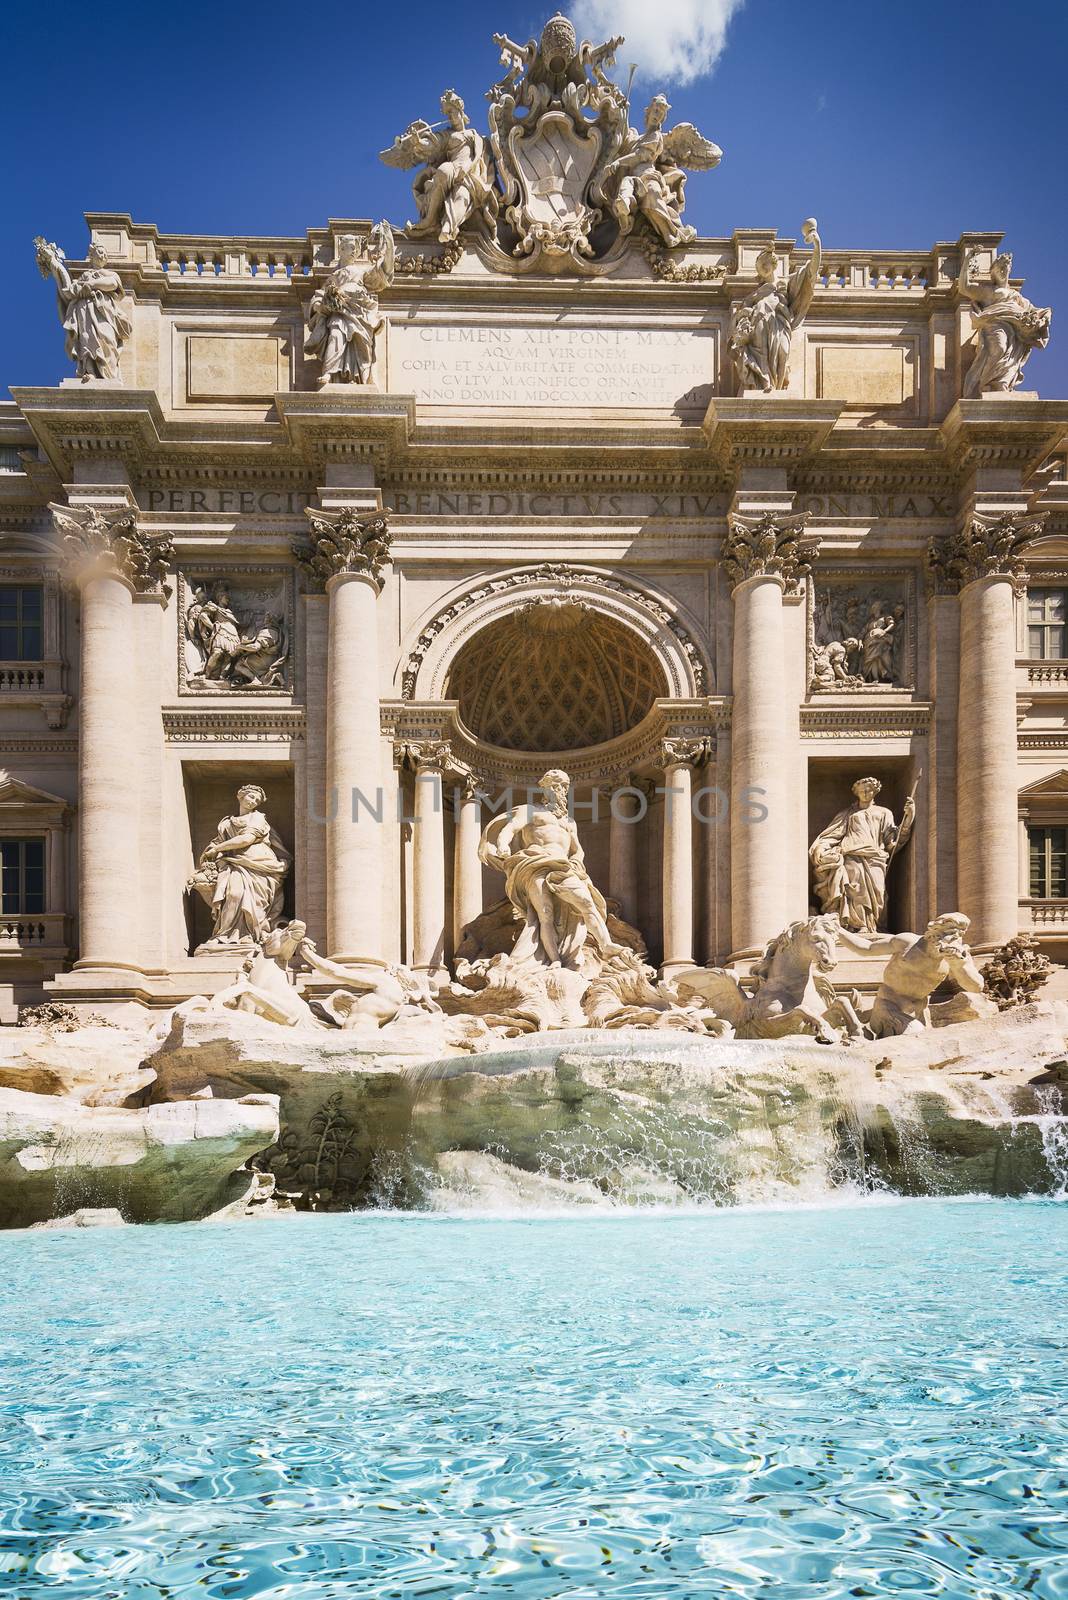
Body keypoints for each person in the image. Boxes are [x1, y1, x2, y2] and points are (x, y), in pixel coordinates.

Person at [478, 769, 622, 968]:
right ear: (544, 789)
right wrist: (503, 845)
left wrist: (577, 862)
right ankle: (554, 960)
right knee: (545, 913)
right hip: (535, 864)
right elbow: (509, 829)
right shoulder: (530, 811)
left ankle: (606, 944)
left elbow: (577, 850)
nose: (559, 790)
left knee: (587, 903)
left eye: (563, 786)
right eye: (554, 786)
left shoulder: (569, 822)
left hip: (563, 867)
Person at [187, 784, 291, 948]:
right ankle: (227, 935)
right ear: (240, 796)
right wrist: (212, 853)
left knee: (246, 898)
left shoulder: (257, 818)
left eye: (257, 800)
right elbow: (218, 841)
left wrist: (217, 849)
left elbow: (246, 839)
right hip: (234, 863)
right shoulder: (227, 822)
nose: (253, 801)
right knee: (234, 895)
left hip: (259, 864)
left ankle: (248, 935)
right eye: (251, 797)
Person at [809, 776, 914, 933]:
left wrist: (908, 818)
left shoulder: (884, 812)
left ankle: (875, 926)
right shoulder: (848, 814)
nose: (865, 792)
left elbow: (892, 840)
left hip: (875, 857)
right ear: (856, 793)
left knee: (879, 892)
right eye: (862, 790)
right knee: (855, 890)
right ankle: (858, 926)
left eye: (869, 789)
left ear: (875, 791)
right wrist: (821, 848)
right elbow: (832, 835)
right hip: (851, 855)